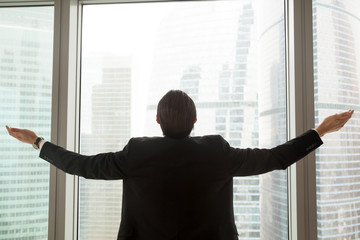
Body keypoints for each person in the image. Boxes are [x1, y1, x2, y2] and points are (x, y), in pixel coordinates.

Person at [6, 90, 353, 240]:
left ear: (156, 120)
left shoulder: (138, 153)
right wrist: (320, 130)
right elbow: (276, 158)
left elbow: (81, 165)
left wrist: (38, 141)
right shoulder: (217, 151)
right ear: (195, 120)